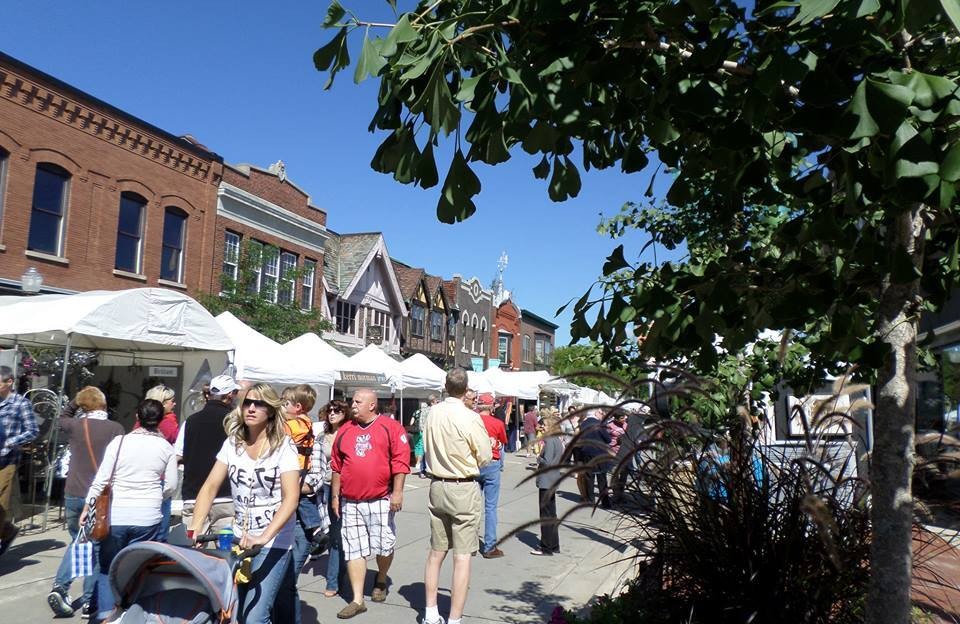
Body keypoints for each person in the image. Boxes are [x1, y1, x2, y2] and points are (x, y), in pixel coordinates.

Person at [189, 383, 300, 624]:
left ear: (270, 410)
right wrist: (196, 527)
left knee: (254, 618)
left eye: (258, 404)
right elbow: (209, 488)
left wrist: (265, 536)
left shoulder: (283, 447)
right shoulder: (233, 443)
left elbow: (291, 498)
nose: (250, 408)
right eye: (247, 402)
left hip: (273, 541)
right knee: (235, 610)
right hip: (239, 539)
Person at [80, 399, 178, 623]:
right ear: (161, 420)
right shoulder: (166, 448)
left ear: (137, 417)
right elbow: (171, 485)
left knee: (107, 566)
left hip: (116, 514)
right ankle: (131, 615)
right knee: (138, 568)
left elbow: (102, 479)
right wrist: (156, 496)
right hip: (148, 516)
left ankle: (106, 615)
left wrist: (88, 505)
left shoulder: (120, 442)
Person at [330, 388, 410, 619]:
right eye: (352, 401)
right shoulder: (346, 430)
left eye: (357, 402)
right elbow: (337, 465)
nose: (352, 405)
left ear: (372, 405)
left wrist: (398, 492)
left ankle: (381, 578)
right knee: (354, 549)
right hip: (351, 501)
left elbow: (400, 462)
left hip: (381, 499)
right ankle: (357, 599)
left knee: (384, 545)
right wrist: (336, 496)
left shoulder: (390, 427)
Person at [422, 369, 492, 624]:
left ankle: (430, 612)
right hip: (462, 485)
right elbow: (485, 456)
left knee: (436, 550)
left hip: (437, 483)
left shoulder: (433, 413)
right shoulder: (470, 417)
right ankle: (454, 618)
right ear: (466, 389)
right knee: (462, 556)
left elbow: (427, 445)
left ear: (446, 386)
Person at [47, 386, 124, 619]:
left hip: (73, 492)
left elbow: (61, 417)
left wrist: (75, 402)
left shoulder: (76, 426)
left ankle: (64, 588)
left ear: (83, 406)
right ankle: (87, 599)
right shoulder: (116, 429)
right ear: (103, 404)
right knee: (95, 547)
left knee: (79, 542)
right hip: (99, 496)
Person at [281, 384, 327, 623]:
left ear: (297, 407)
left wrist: (291, 488)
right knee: (282, 582)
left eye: (285, 403)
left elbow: (317, 479)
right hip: (280, 520)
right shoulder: (302, 427)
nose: (281, 406)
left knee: (289, 580)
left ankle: (316, 529)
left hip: (298, 521)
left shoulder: (296, 431)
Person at [176, 374, 239, 537]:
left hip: (193, 497)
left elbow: (178, 455)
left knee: (190, 550)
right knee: (226, 552)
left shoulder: (189, 421)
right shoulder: (234, 423)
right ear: (230, 395)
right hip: (225, 497)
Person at [0, 365, 38, 559]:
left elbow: (32, 431)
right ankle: (7, 530)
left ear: (9, 382)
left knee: (1, 504)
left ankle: (4, 530)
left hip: (6, 461)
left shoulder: (20, 404)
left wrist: (10, 442)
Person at [313, 400, 349, 597]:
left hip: (349, 488)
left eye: (337, 411)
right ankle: (336, 578)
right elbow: (317, 466)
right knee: (335, 533)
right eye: (330, 411)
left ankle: (338, 577)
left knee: (342, 534)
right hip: (327, 487)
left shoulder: (351, 433)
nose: (332, 414)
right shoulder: (322, 437)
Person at [532, 411, 565, 556]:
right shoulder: (557, 440)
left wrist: (539, 458)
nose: (542, 428)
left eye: (544, 425)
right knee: (551, 514)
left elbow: (548, 462)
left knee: (546, 515)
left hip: (547, 480)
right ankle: (554, 545)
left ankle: (546, 547)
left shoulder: (551, 441)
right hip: (552, 480)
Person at [476, 403, 507, 559]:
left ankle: (470, 545)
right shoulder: (497, 423)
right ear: (491, 407)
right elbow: (503, 441)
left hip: (474, 463)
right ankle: (489, 546)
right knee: (491, 507)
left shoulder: (471, 420)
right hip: (491, 462)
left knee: (472, 507)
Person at [576, 409, 613, 508]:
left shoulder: (583, 424)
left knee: (589, 477)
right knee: (602, 478)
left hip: (586, 452)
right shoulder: (599, 424)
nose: (602, 414)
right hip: (599, 453)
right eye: (600, 413)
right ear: (595, 413)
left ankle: (590, 500)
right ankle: (605, 502)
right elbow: (608, 439)